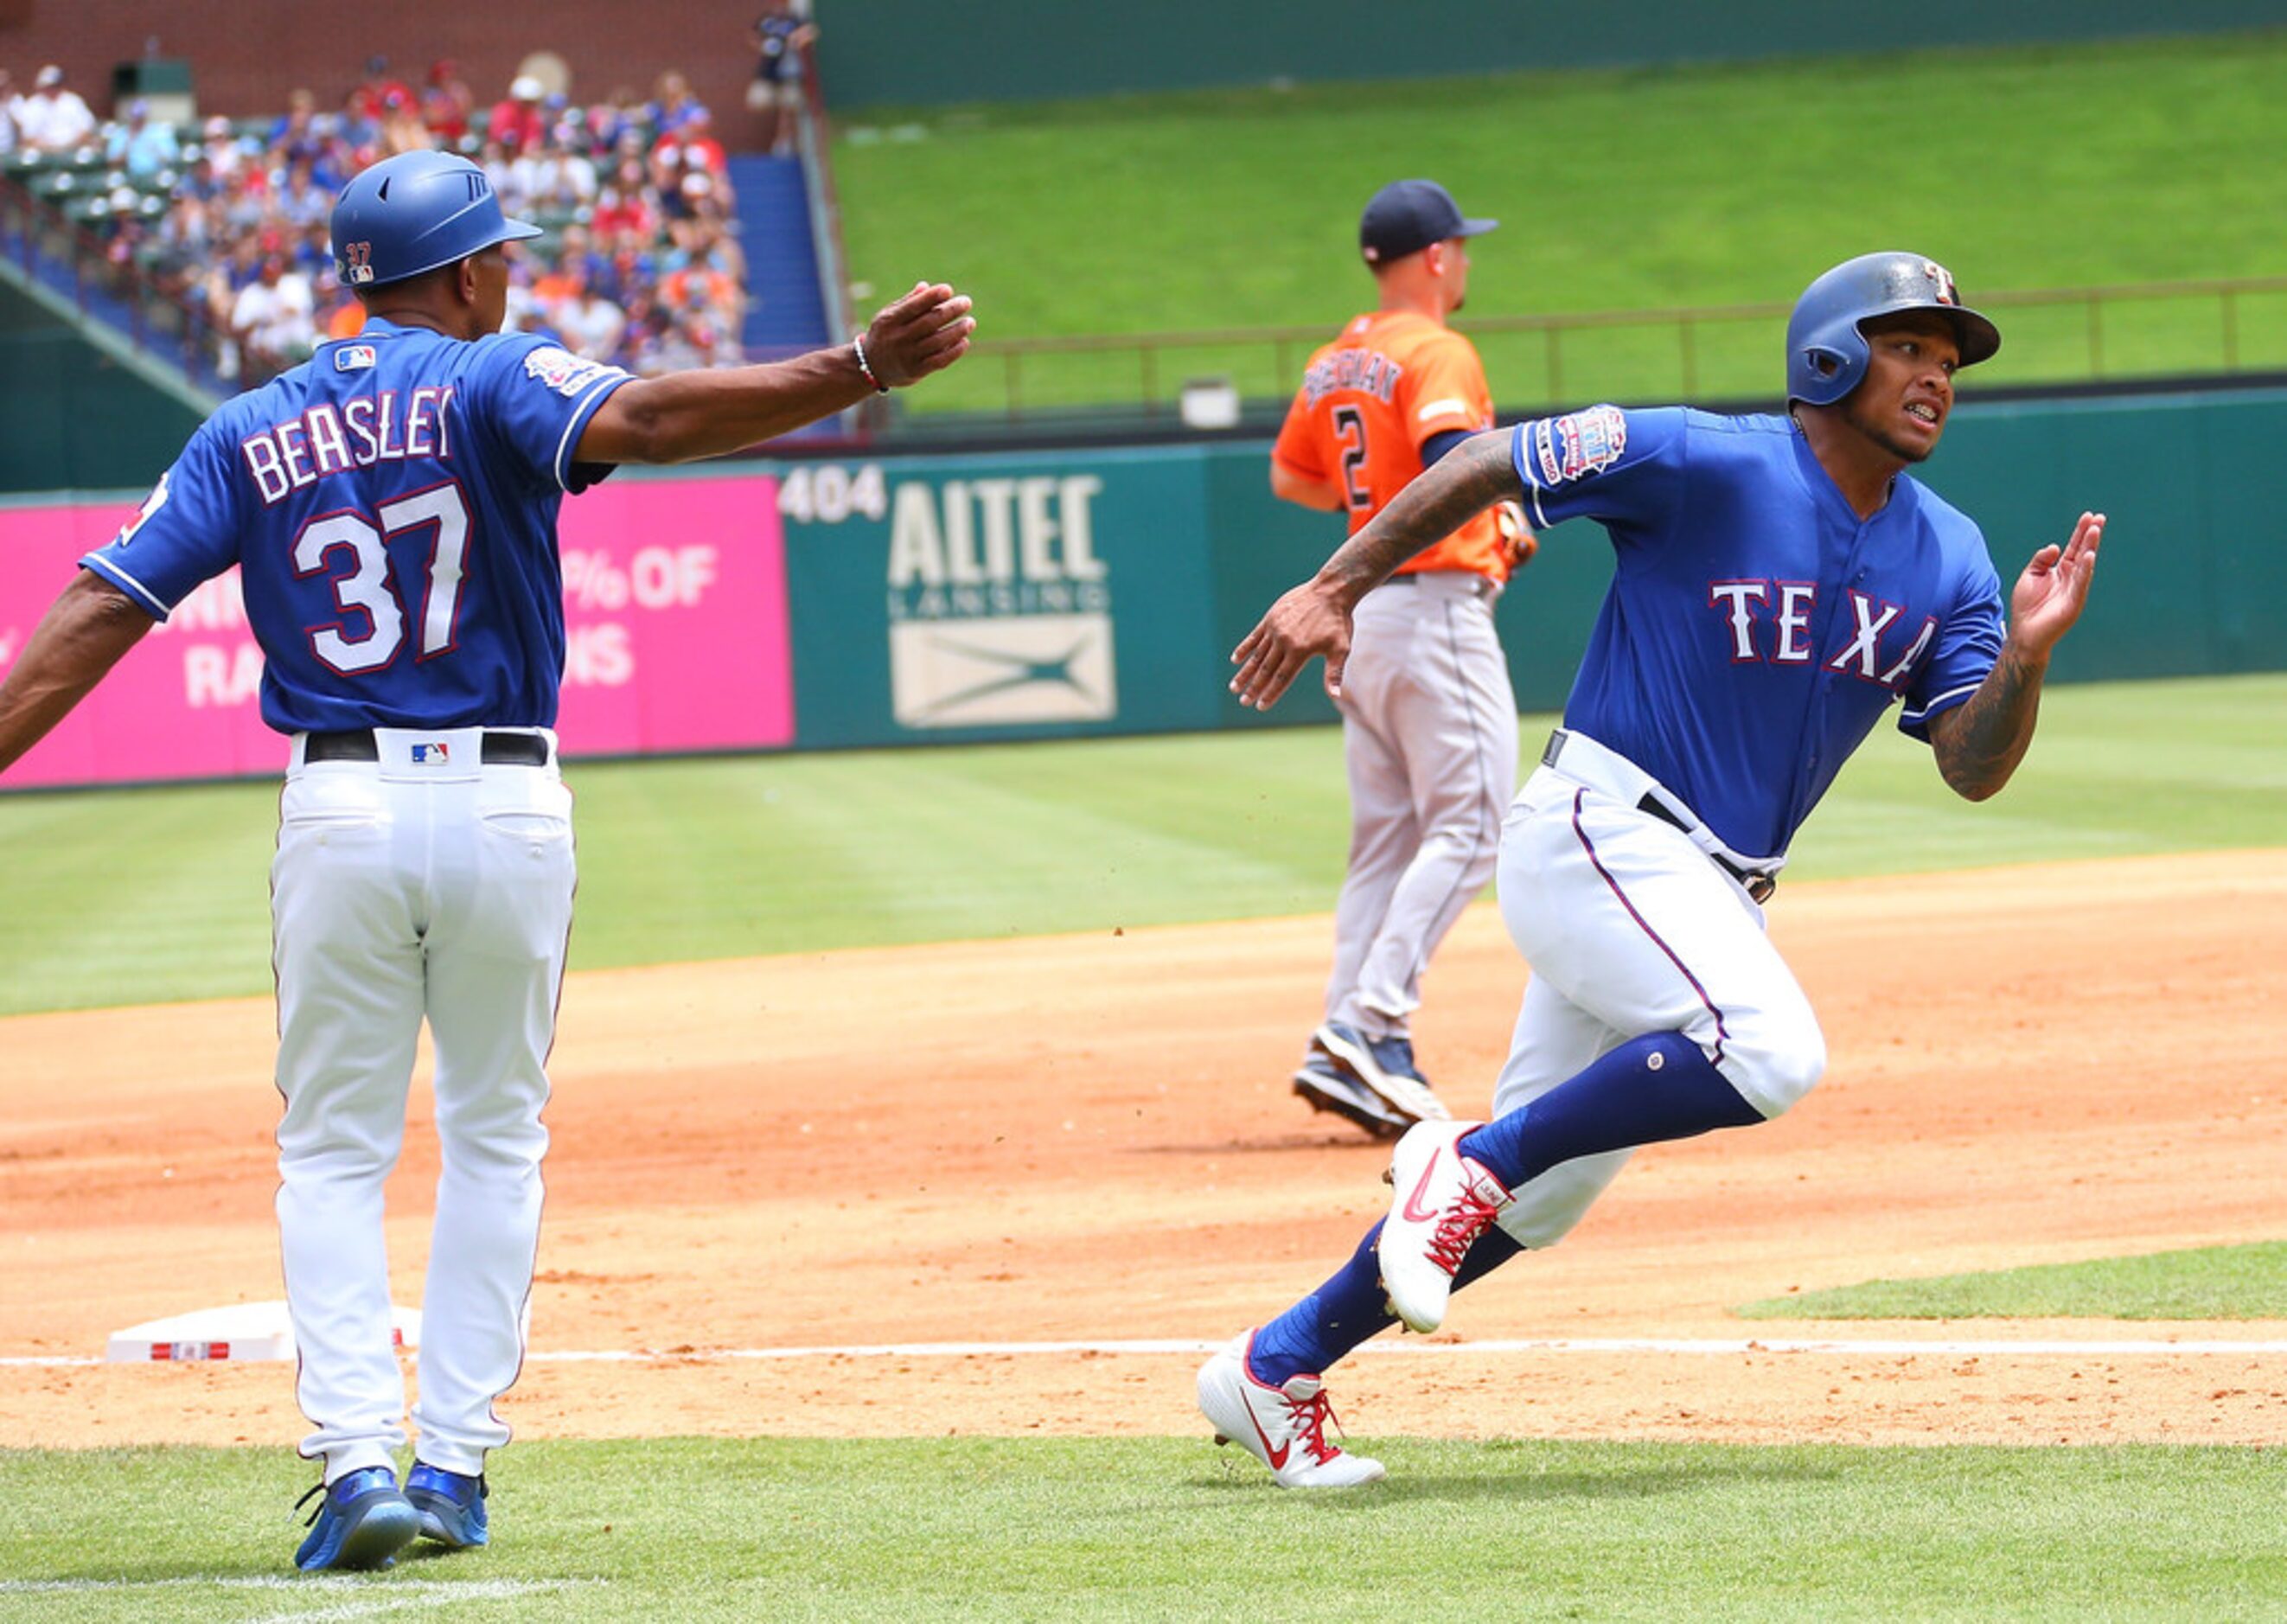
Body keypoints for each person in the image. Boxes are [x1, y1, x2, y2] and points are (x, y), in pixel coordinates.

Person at [0, 148, 973, 1567]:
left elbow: (106, 601)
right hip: (507, 798)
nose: (509, 270)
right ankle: (451, 1464)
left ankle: (353, 1467)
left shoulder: (248, 425)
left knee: (332, 1150)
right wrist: (858, 368)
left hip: (338, 806)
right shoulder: (495, 374)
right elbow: (647, 413)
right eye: (497, 254)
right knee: (496, 1136)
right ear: (460, 274)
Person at [1201, 250, 2104, 1487]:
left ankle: (1275, 1365)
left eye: (1948, 360)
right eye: (1908, 348)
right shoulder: (1699, 455)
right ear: (1830, 354)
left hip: (1703, 887)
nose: (1935, 377)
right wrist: (1335, 582)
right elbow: (1482, 460)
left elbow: (1972, 763)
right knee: (1767, 1046)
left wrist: (2030, 661)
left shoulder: (1950, 554)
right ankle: (1461, 1162)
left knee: (1545, 1197)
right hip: (1600, 829)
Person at [1269, 178, 1534, 1141]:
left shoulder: (1333, 359)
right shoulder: (1435, 349)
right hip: (1430, 609)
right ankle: (1367, 1025)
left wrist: (1372, 494)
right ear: (1432, 258)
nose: (1466, 261)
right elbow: (1456, 457)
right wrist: (1498, 506)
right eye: (1460, 247)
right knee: (1471, 827)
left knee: (1385, 841)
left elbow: (1292, 478)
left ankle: (1336, 1046)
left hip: (1361, 615)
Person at [748, 0, 819, 157]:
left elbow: (811, 32)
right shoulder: (767, 20)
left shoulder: (794, 20)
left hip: (788, 74)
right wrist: (762, 46)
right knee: (757, 102)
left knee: (788, 108)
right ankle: (783, 136)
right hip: (768, 73)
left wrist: (795, 40)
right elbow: (752, 36)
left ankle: (785, 142)